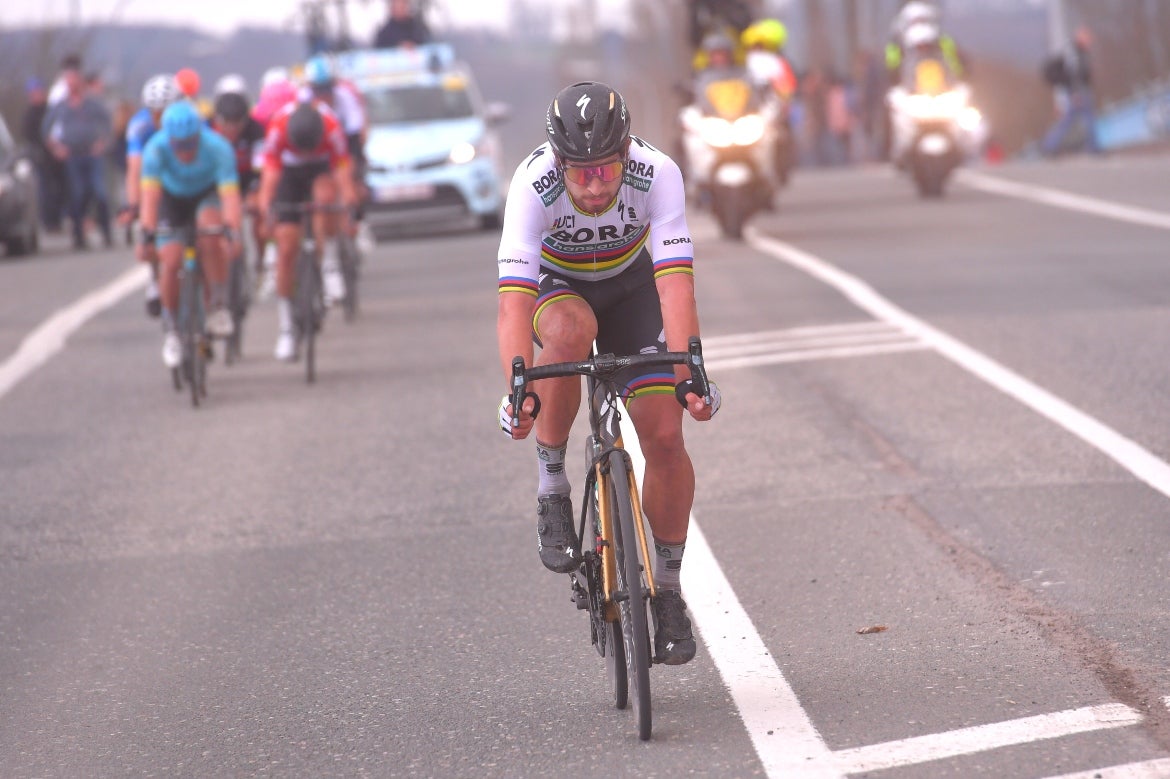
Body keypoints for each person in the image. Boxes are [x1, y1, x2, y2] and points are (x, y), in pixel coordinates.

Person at [495, 81, 722, 666]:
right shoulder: (532, 183)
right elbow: (514, 305)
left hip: (632, 286)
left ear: (626, 154)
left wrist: (690, 369)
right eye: (581, 171)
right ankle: (551, 484)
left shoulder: (659, 172)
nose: (595, 184)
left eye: (606, 169)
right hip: (559, 287)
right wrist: (518, 388)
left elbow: (674, 284)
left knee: (666, 436)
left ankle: (668, 591)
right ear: (558, 162)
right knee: (567, 335)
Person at [136, 101, 241, 369]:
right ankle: (172, 328)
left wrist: (233, 231)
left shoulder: (218, 148)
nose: (185, 151)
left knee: (211, 234)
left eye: (190, 144)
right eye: (179, 146)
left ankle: (217, 304)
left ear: (199, 135)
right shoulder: (155, 149)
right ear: (169, 139)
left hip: (206, 195)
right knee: (170, 260)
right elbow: (150, 197)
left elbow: (229, 195)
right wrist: (146, 233)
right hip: (171, 199)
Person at [256, 101, 358, 361]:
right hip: (289, 174)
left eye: (307, 148)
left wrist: (349, 207)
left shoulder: (331, 127)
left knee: (326, 198)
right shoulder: (278, 128)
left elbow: (341, 170)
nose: (304, 151)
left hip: (322, 169)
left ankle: (331, 264)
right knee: (287, 247)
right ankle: (287, 327)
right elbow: (270, 174)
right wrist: (267, 209)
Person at [123, 73, 183, 317]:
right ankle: (154, 278)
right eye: (153, 111)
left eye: (164, 110)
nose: (158, 117)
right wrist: (134, 205)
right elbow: (134, 168)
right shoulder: (139, 125)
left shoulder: (187, 120)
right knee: (150, 231)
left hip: (184, 179)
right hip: (154, 179)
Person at [41, 54, 114, 250]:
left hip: (92, 153)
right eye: (68, 80)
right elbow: (46, 129)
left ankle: (107, 233)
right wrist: (56, 147)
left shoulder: (92, 103)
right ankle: (79, 236)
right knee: (78, 194)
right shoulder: (61, 105)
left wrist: (103, 142)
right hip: (72, 155)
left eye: (75, 80)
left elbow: (108, 123)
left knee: (100, 192)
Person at [209, 74, 268, 277]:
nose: (232, 130)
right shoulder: (207, 129)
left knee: (260, 212)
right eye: (227, 124)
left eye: (238, 124)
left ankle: (261, 259)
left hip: (247, 180)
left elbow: (262, 168)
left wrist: (255, 191)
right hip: (217, 183)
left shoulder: (257, 130)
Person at [1041, 26, 1100, 157]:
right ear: (1081, 38)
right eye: (1087, 37)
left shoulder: (1079, 52)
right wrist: (1076, 92)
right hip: (1079, 92)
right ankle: (1093, 148)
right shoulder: (1075, 54)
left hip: (1077, 91)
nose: (1089, 40)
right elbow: (1075, 75)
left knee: (1069, 120)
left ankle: (1050, 145)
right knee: (1086, 119)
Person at [21, 77, 67, 234]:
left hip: (56, 156)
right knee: (45, 190)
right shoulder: (29, 115)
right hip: (41, 157)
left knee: (61, 188)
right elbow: (30, 136)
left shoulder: (50, 110)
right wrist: (46, 144)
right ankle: (48, 221)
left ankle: (59, 218)